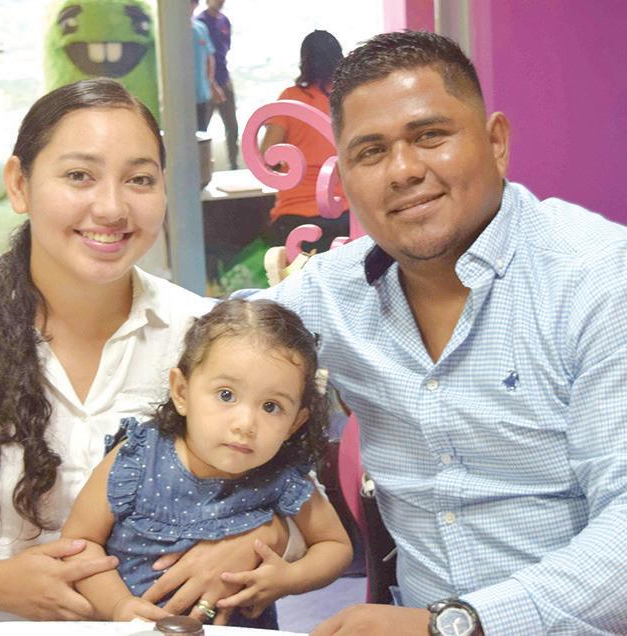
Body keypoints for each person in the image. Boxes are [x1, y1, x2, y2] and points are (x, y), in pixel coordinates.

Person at [253, 31, 627, 635]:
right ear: (344, 178)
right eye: (371, 152)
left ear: (496, 143)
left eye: (430, 135)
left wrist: (453, 625)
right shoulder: (333, 295)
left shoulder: (598, 279)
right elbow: (199, 355)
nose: (404, 170)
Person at [0, 78, 293, 629]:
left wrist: (261, 535)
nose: (111, 207)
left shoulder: (203, 333)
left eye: (139, 179)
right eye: (79, 175)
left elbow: (300, 502)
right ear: (19, 184)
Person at [62, 298, 352, 626]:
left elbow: (334, 546)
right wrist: (117, 605)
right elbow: (79, 543)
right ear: (181, 392)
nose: (245, 424)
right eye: (226, 395)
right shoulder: (137, 458)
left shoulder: (282, 476)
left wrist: (288, 578)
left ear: (295, 423)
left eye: (271, 406)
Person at [260, 30, 349, 254]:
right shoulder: (347, 100)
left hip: (294, 215)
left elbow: (267, 157)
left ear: (305, 61)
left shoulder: (291, 99)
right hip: (343, 214)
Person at [197, 0, 239, 169]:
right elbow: (203, 59)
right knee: (201, 130)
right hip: (206, 85)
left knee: (232, 126)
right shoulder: (200, 23)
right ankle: (203, 169)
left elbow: (224, 50)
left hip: (224, 79)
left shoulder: (224, 21)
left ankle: (234, 165)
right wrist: (212, 85)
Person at [190, 0, 222, 132]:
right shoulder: (171, 32)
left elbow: (209, 58)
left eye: (192, 2)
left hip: (202, 93)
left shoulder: (200, 28)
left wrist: (211, 85)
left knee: (202, 133)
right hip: (181, 94)